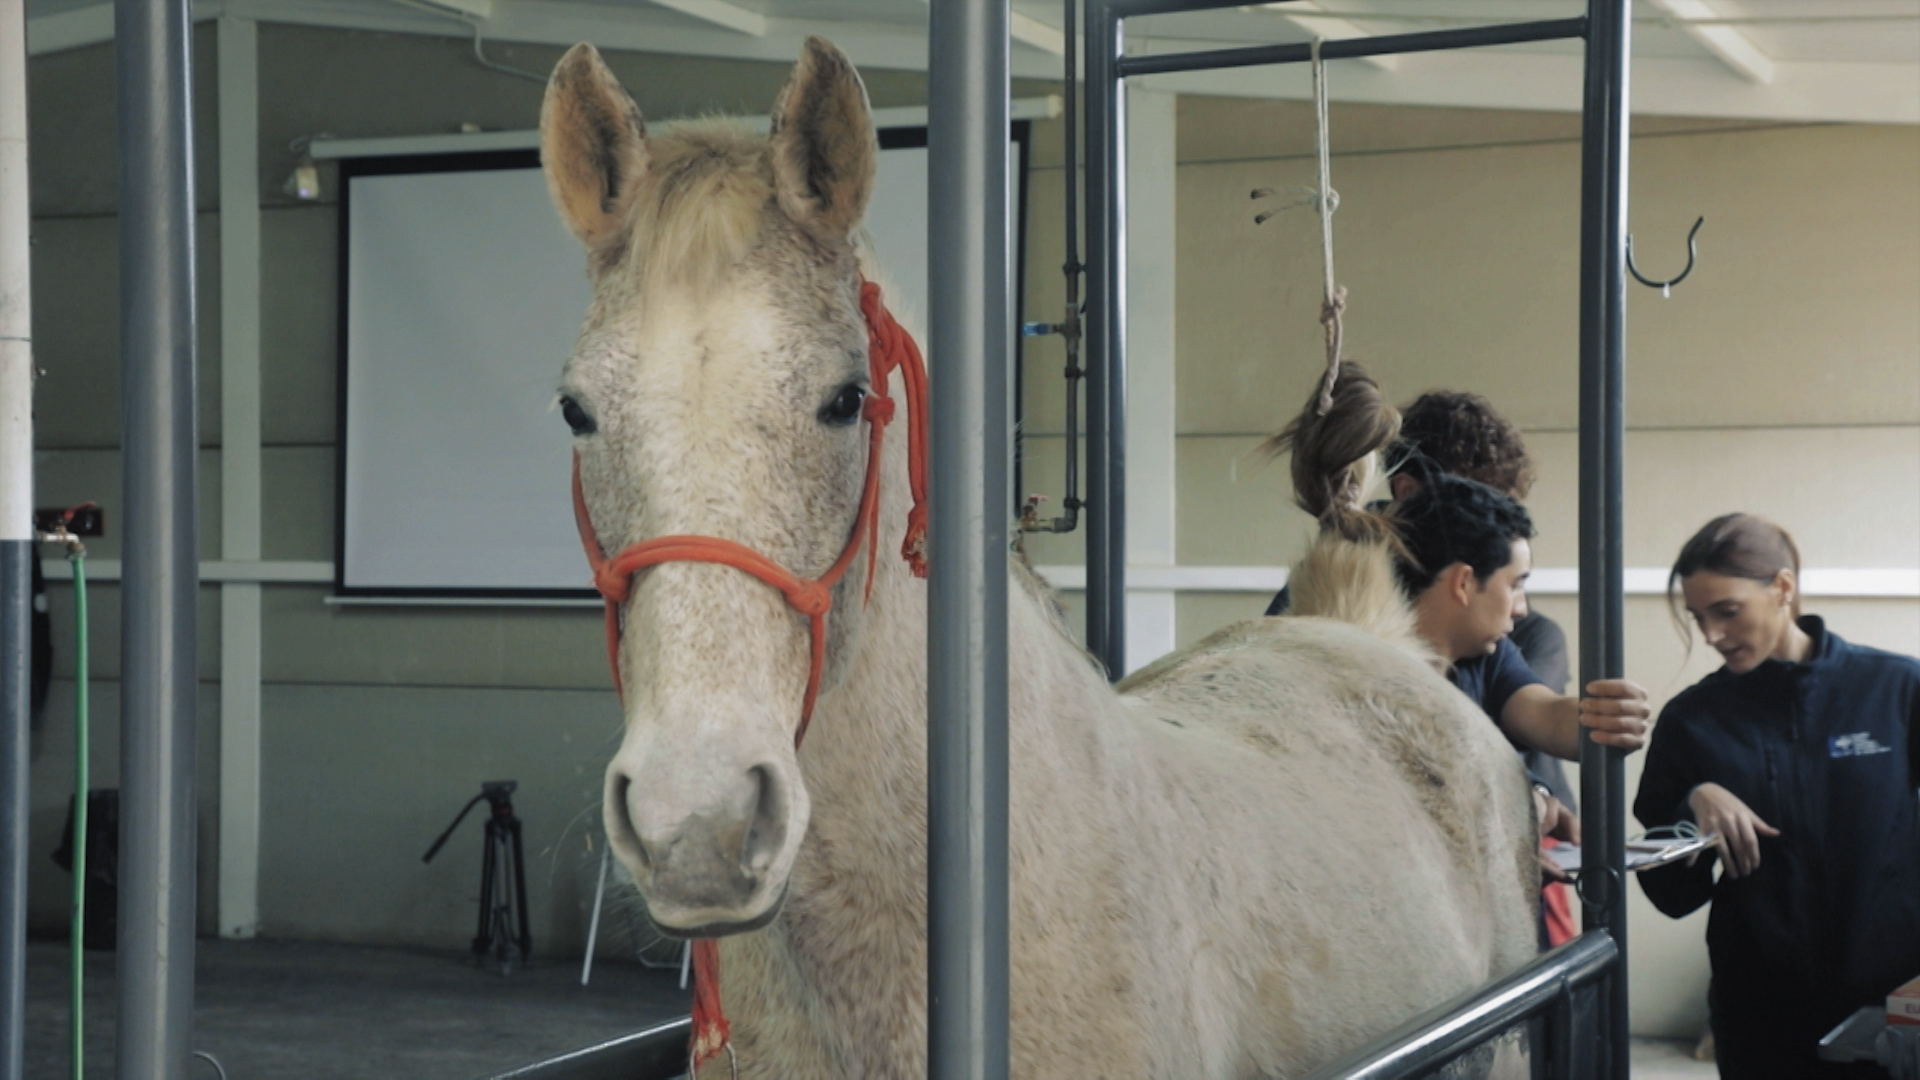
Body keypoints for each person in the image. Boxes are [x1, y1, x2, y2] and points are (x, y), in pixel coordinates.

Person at [1635, 514, 1920, 1079]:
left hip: (1887, 1006)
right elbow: (1668, 892)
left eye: (1727, 611)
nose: (1712, 636)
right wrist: (1690, 806)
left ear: (1782, 589)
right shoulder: (1692, 720)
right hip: (1759, 1018)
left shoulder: (1895, 689)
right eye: (1698, 618)